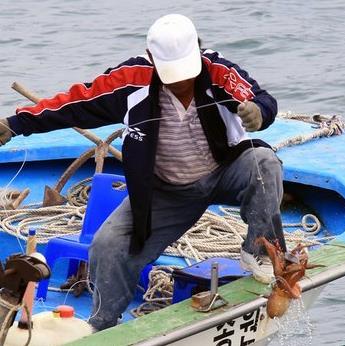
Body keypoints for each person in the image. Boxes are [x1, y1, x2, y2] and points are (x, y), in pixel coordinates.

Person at [0, 14, 287, 331]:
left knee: (264, 162)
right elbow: (74, 103)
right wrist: (15, 125)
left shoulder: (220, 72)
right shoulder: (129, 80)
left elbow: (261, 98)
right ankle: (104, 325)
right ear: (152, 59)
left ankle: (258, 252)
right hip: (164, 192)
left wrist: (259, 112)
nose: (180, 82)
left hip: (224, 172)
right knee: (107, 245)